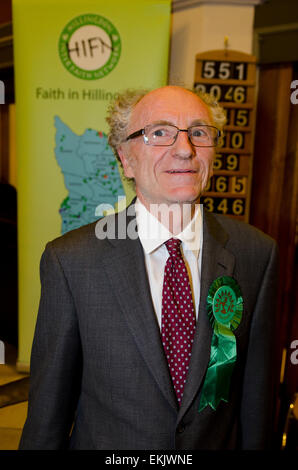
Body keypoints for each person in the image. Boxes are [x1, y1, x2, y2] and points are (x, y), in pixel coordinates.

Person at [19, 86, 278, 450]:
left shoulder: (256, 254)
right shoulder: (73, 261)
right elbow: (48, 415)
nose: (185, 149)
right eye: (159, 133)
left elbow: (256, 401)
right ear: (126, 158)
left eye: (199, 132)